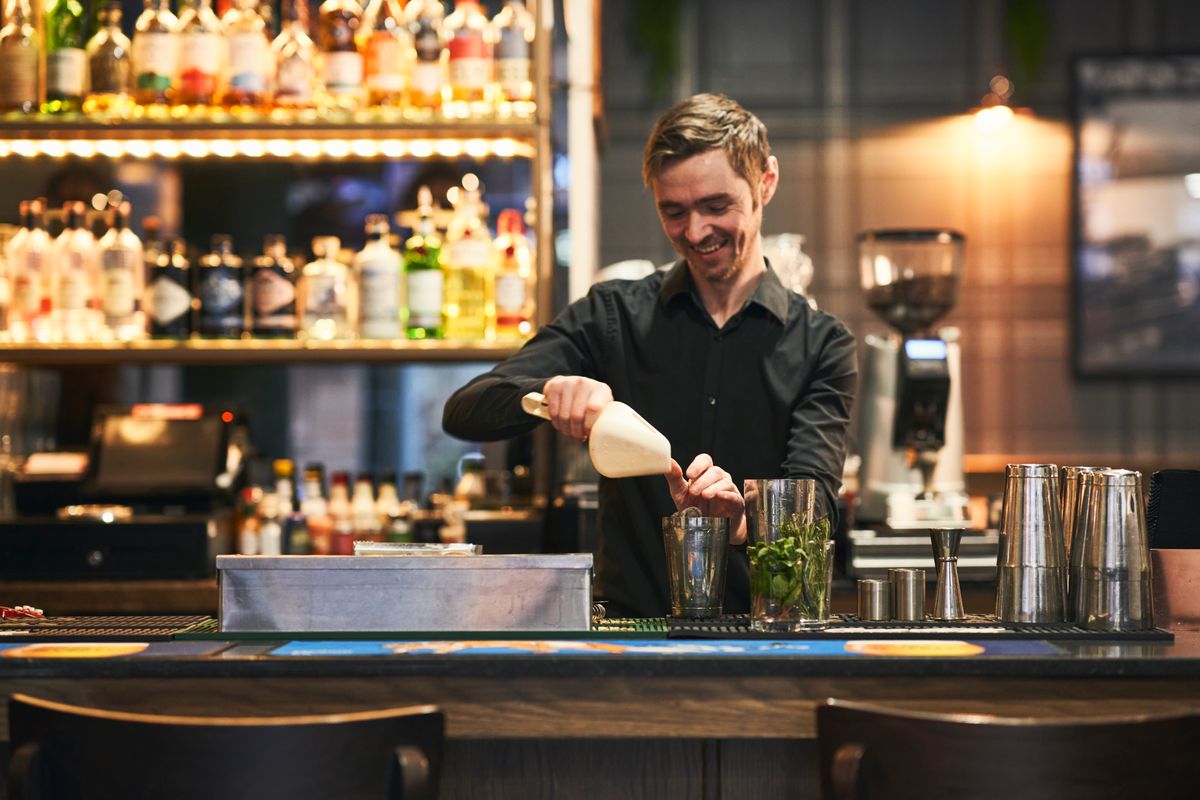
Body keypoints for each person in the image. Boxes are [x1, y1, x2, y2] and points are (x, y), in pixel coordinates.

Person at [443, 93, 857, 618]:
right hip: (628, 633)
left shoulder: (821, 343)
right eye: (674, 211)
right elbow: (465, 410)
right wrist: (545, 394)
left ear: (765, 182)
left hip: (767, 633)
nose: (696, 232)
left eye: (716, 205)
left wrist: (745, 522)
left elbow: (815, 507)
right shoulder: (612, 316)